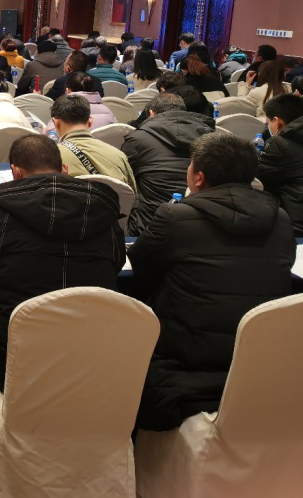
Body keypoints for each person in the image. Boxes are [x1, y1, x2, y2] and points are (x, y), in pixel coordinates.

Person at [129, 133, 294, 431]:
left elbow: (141, 270)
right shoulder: (280, 219)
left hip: (182, 373)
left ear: (199, 177)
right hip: (260, 370)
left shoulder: (174, 217)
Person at [0, 134, 124, 391]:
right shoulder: (104, 211)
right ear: (64, 169)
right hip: (91, 356)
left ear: (16, 173)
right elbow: (117, 264)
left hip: (16, 359)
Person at [122, 92, 214, 236]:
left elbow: (124, 179)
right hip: (201, 225)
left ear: (151, 113)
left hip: (148, 226)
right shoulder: (210, 138)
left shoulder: (138, 139)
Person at [51, 94, 136, 190]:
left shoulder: (51, 158)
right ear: (90, 121)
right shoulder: (119, 156)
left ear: (56, 123)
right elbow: (131, 194)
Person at [258, 94, 303, 233]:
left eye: (268, 122)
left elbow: (258, 179)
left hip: (296, 224)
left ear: (276, 122)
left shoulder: (279, 144)